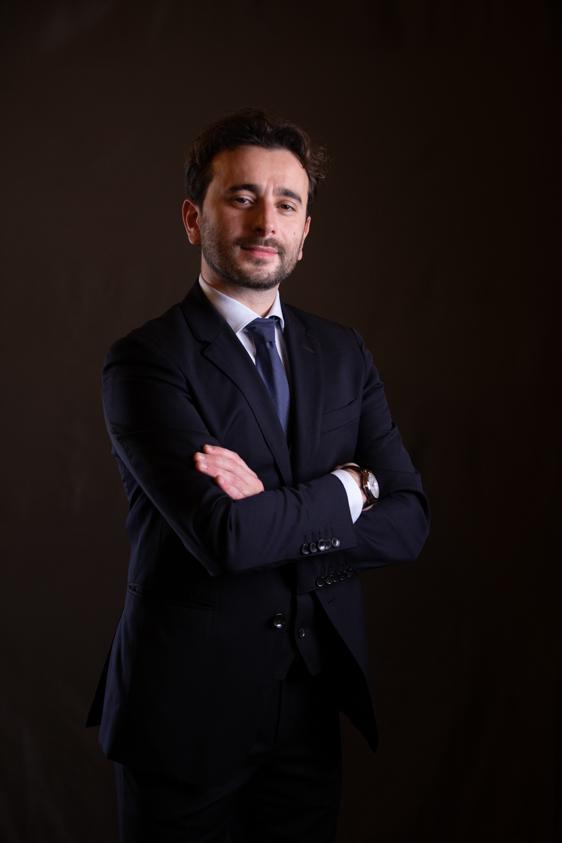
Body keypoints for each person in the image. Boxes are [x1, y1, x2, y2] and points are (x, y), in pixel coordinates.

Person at [87, 108, 430, 843]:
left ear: (306, 231)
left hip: (309, 714)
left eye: (287, 203)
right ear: (194, 217)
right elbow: (226, 536)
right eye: (242, 197)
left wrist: (277, 509)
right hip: (183, 720)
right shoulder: (145, 361)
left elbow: (409, 520)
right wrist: (351, 487)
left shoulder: (343, 352)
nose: (266, 221)